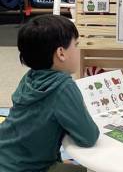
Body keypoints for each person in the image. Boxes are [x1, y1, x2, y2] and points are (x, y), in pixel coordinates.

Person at [0, 15, 99, 172]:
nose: (78, 49)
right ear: (61, 53)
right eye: (76, 44)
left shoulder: (30, 76)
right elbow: (88, 137)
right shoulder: (63, 86)